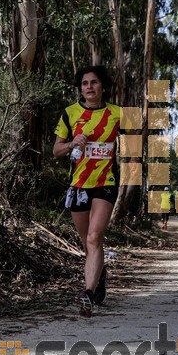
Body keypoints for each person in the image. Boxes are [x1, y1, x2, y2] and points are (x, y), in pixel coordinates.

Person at [53, 65, 120, 317]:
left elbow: (138, 136)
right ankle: (100, 273)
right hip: (78, 185)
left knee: (94, 238)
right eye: (84, 83)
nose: (89, 87)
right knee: (88, 244)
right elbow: (56, 150)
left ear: (103, 86)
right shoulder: (70, 114)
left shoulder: (117, 113)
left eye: (94, 82)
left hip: (106, 182)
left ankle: (88, 294)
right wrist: (72, 143)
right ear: (80, 88)